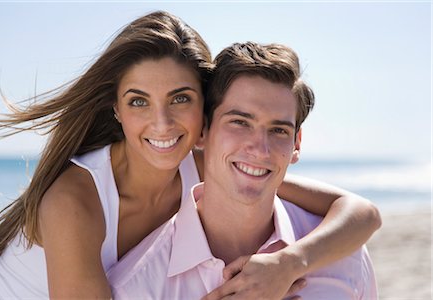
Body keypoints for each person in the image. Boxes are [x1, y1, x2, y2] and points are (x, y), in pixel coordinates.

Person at [0, 11, 380, 299]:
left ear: (204, 113)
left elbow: (360, 212)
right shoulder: (75, 199)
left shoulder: (200, 161)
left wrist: (290, 263)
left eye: (180, 98)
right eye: (139, 101)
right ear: (116, 109)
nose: (162, 123)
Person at [108, 41, 378, 299]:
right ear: (203, 131)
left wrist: (291, 263)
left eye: (278, 130)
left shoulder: (346, 260)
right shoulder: (135, 288)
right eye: (240, 122)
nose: (260, 149)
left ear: (296, 143)